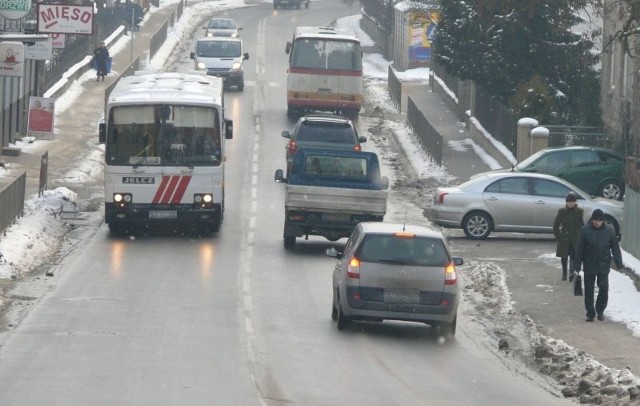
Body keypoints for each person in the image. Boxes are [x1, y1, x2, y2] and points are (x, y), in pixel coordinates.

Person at [573, 209, 623, 322]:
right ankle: (590, 313)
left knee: (604, 289)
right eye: (596, 220)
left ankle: (600, 310)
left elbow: (615, 248)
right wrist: (577, 266)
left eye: (600, 221)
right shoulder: (584, 230)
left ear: (603, 221)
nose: (597, 223)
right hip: (589, 264)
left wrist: (619, 263)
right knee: (589, 290)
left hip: (604, 265)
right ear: (592, 219)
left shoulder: (609, 231)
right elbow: (579, 249)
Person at [553, 192, 583, 281]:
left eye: (572, 202)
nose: (571, 204)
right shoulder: (562, 211)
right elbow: (556, 225)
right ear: (566, 202)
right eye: (569, 202)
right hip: (564, 238)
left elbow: (581, 223)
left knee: (574, 256)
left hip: (575, 237)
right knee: (564, 256)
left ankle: (571, 273)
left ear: (575, 202)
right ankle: (564, 273)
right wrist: (558, 236)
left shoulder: (579, 211)